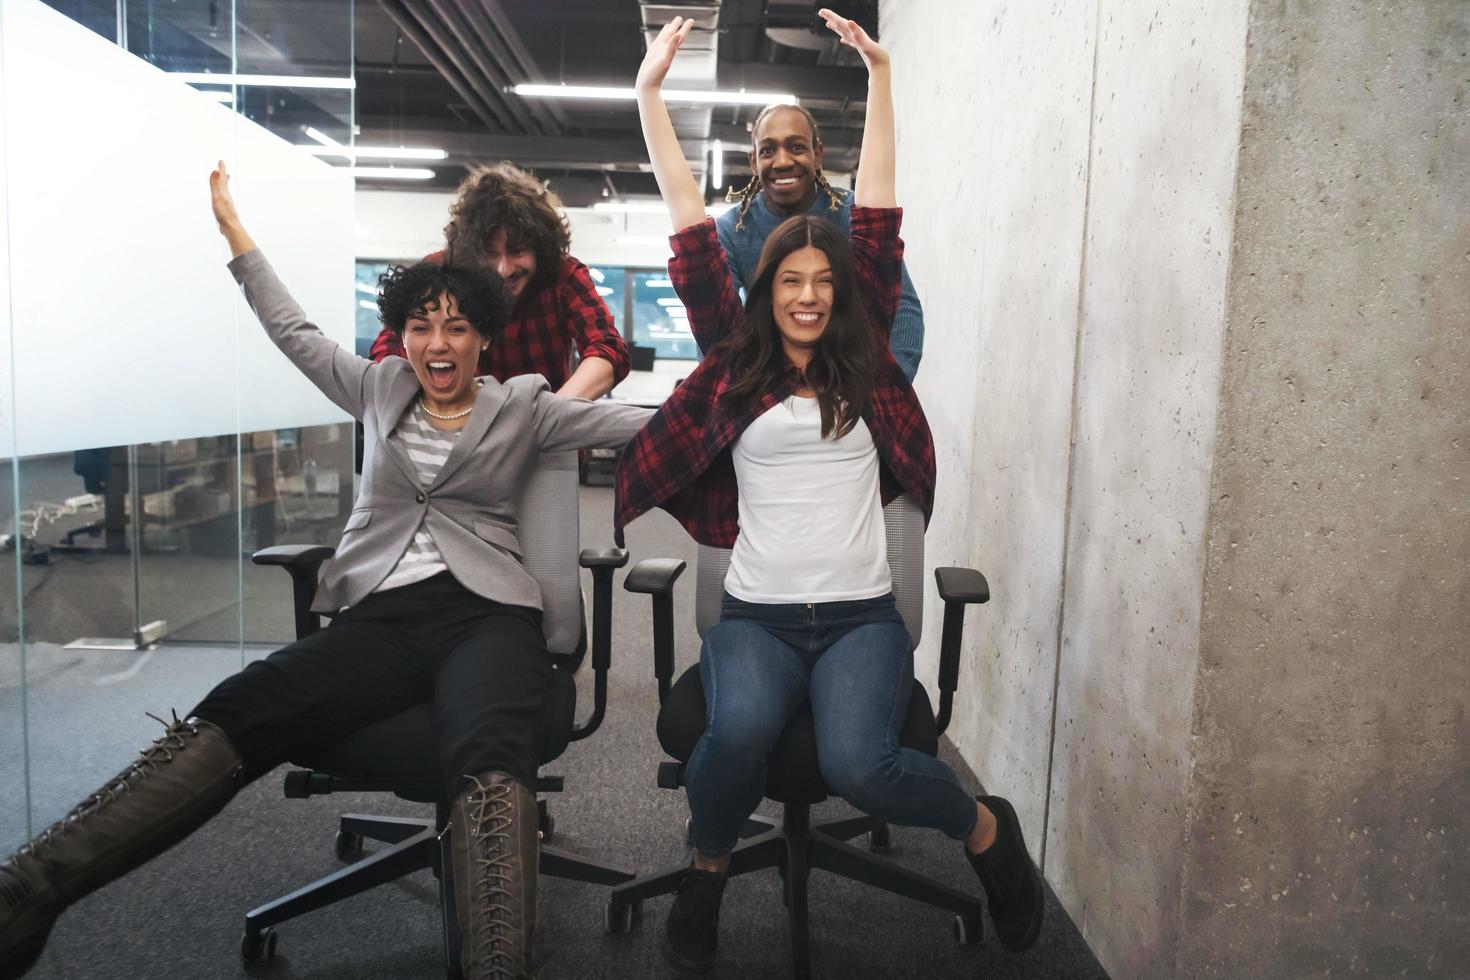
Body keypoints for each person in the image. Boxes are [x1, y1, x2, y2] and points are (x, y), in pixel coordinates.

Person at [0, 163, 653, 980]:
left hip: (489, 613)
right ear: (402, 334)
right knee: (244, 702)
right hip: (380, 612)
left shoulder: (524, 403)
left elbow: (639, 421)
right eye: (422, 326)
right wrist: (239, 238)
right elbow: (294, 332)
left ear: (483, 335)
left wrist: (765, 392)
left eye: (456, 328)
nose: (437, 344)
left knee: (489, 749)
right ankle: (29, 888)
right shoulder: (377, 385)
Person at [615, 13, 1044, 974]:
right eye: (790, 281)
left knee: (864, 765)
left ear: (840, 290)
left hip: (857, 620)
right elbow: (690, 230)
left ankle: (986, 836)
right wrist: (650, 98)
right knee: (731, 740)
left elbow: (882, 217)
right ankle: (710, 868)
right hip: (758, 618)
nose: (808, 295)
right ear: (765, 289)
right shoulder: (738, 365)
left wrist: (882, 76)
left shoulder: (869, 365)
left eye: (822, 280)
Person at [371, 161, 630, 399]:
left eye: (518, 251)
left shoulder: (564, 276)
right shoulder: (442, 272)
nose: (504, 269)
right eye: (490, 253)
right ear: (471, 251)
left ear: (540, 248)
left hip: (546, 439)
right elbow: (388, 346)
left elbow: (608, 349)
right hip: (460, 437)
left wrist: (551, 415)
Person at [717, 99, 925, 381]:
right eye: (768, 150)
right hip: (771, 383)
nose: (782, 161)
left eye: (796, 147)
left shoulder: (855, 216)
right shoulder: (732, 230)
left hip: (850, 377)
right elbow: (718, 326)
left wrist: (889, 388)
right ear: (754, 162)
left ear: (817, 154)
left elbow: (902, 308)